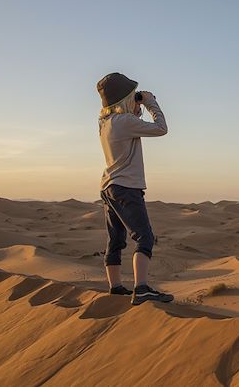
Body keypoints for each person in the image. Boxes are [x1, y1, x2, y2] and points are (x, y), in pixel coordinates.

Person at [97, 72, 174, 305]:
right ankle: (141, 288)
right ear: (126, 99)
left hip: (109, 186)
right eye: (133, 95)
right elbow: (161, 128)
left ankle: (116, 287)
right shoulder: (125, 122)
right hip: (126, 187)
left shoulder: (105, 123)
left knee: (116, 239)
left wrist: (134, 106)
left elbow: (125, 117)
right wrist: (150, 102)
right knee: (144, 238)